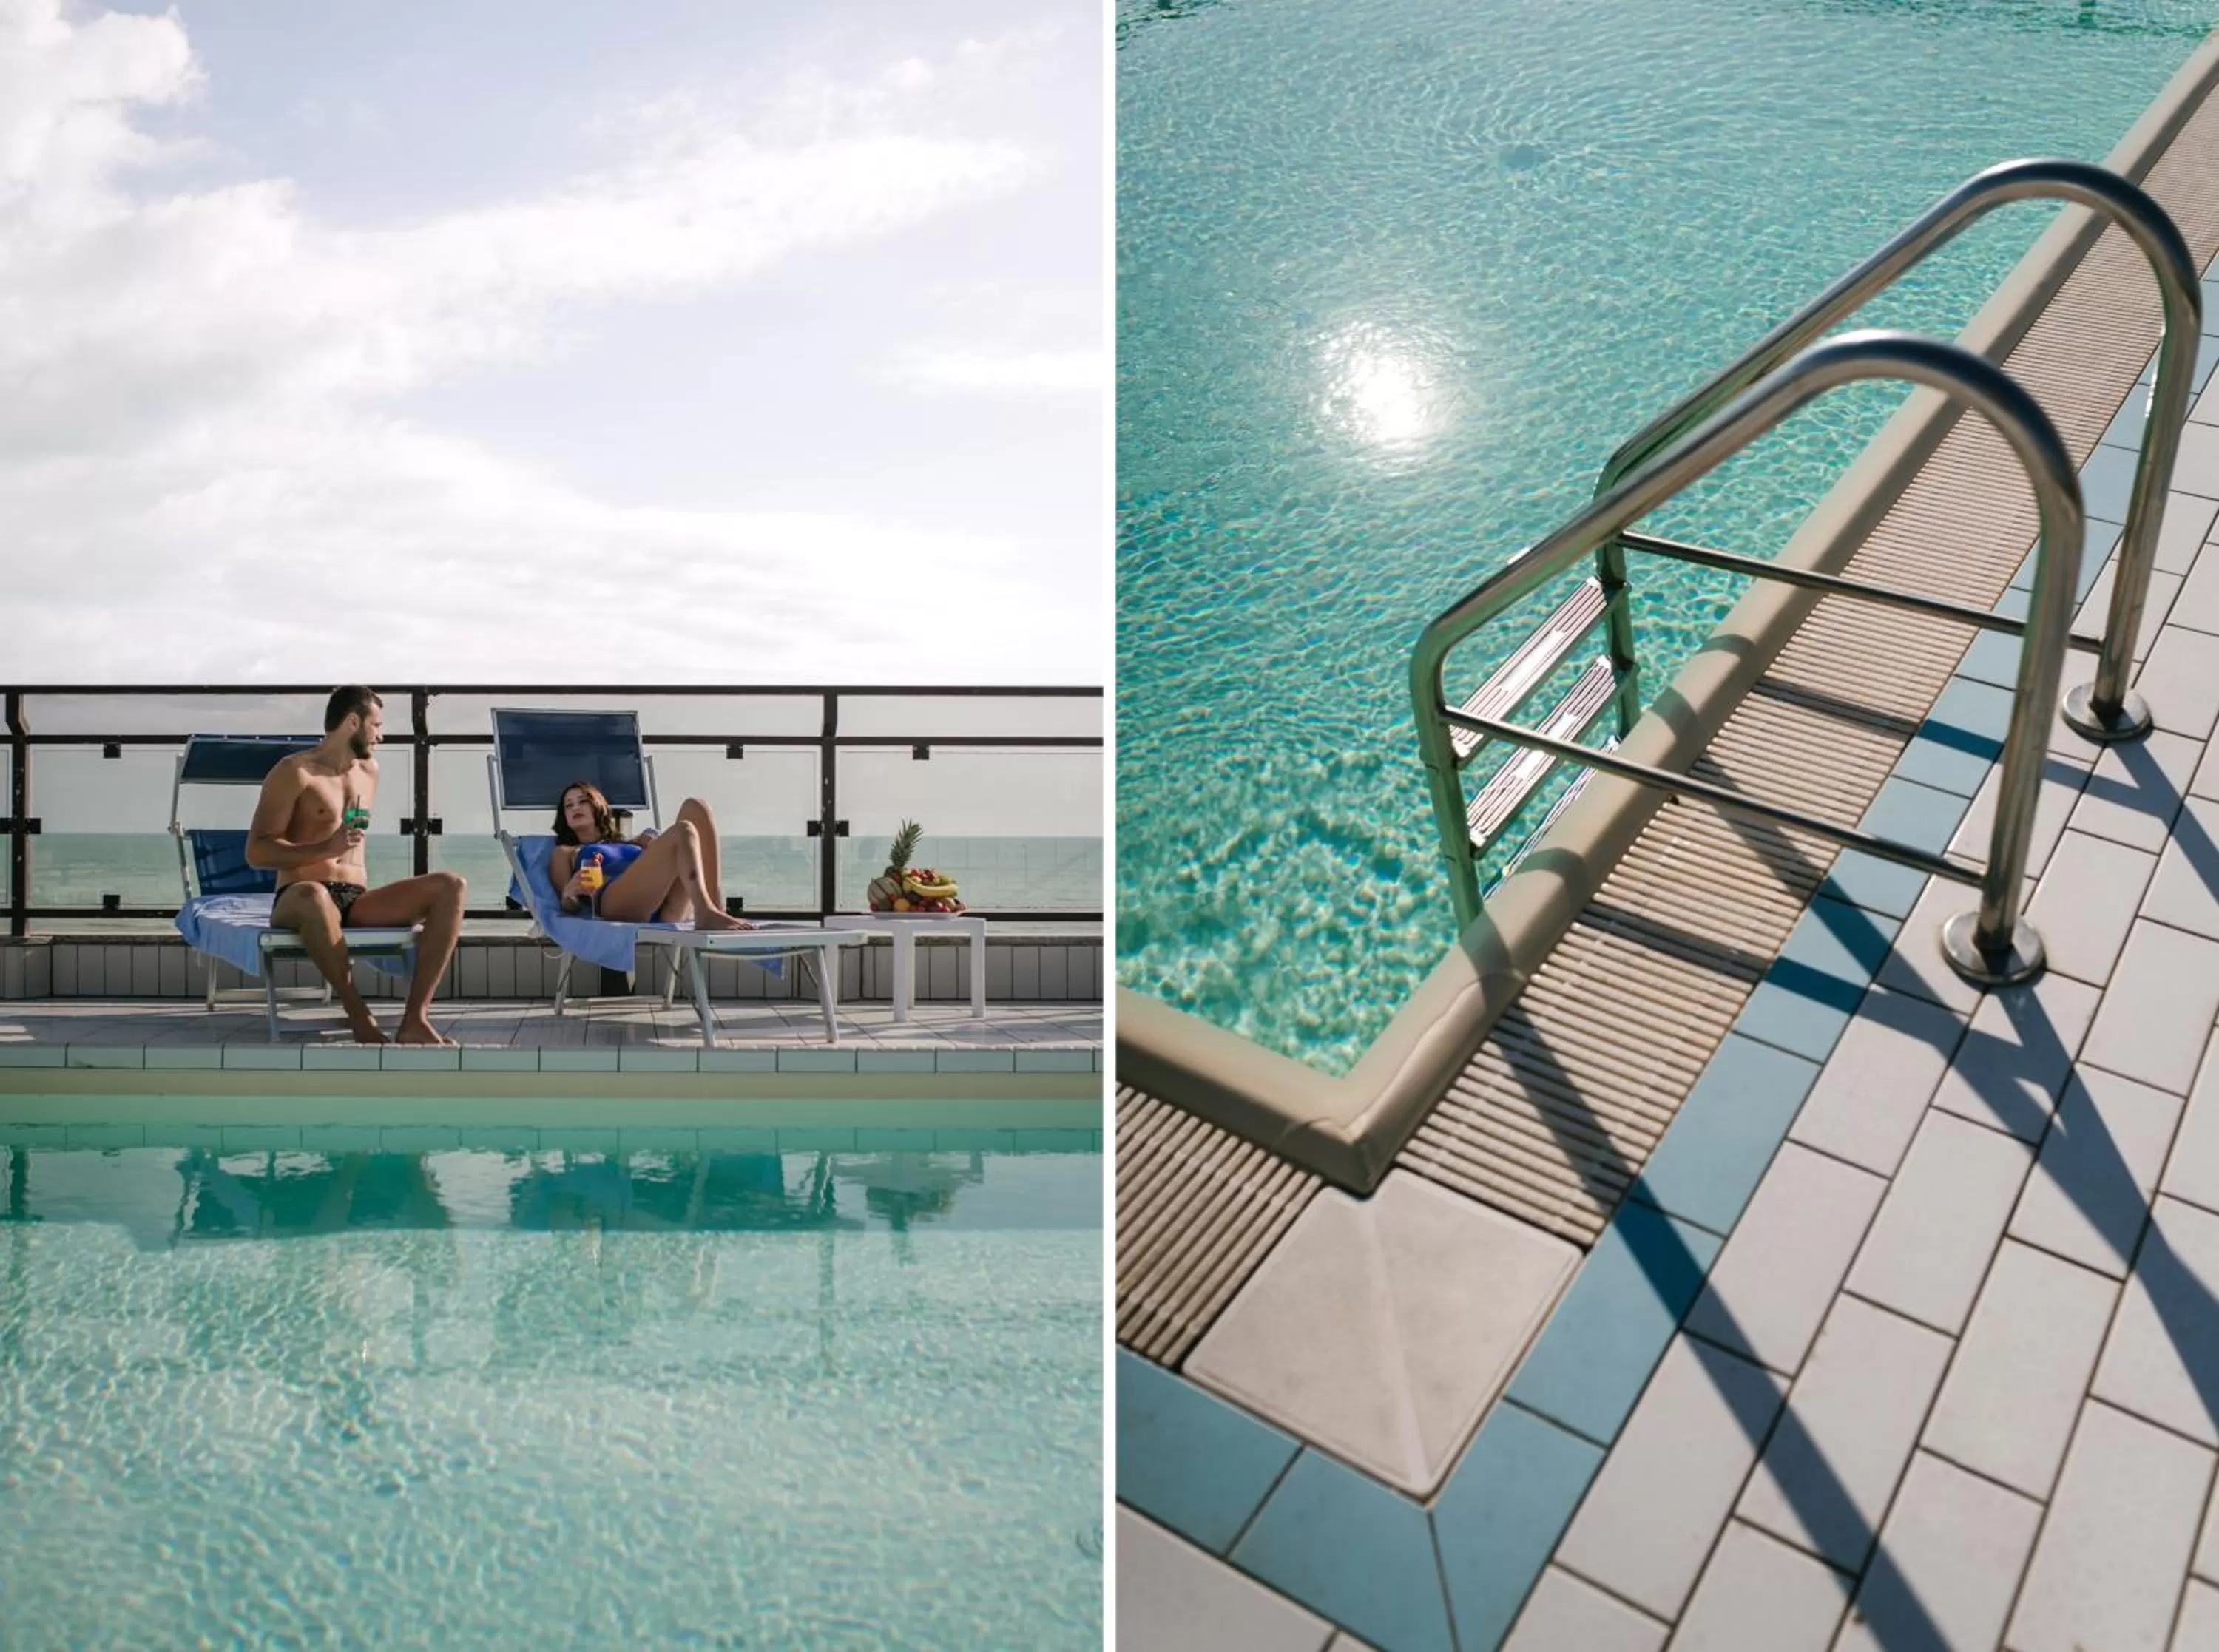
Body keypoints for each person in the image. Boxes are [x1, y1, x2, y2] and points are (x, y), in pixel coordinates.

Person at [246, 685, 467, 1046]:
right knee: (315, 896)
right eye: (376, 725)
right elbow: (257, 852)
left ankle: (415, 1020)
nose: (381, 735)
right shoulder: (295, 772)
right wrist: (324, 848)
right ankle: (358, 1013)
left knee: (451, 885)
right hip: (300, 898)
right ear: (352, 722)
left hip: (355, 898)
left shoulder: (370, 771)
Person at [549, 782, 756, 929]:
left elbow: (650, 869)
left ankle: (715, 908)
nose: (575, 807)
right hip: (614, 901)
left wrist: (653, 847)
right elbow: (567, 906)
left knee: (696, 807)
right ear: (564, 817)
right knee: (683, 829)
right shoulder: (565, 852)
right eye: (569, 805)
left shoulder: (627, 842)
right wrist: (570, 892)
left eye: (582, 801)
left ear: (597, 806)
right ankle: (705, 912)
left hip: (667, 908)